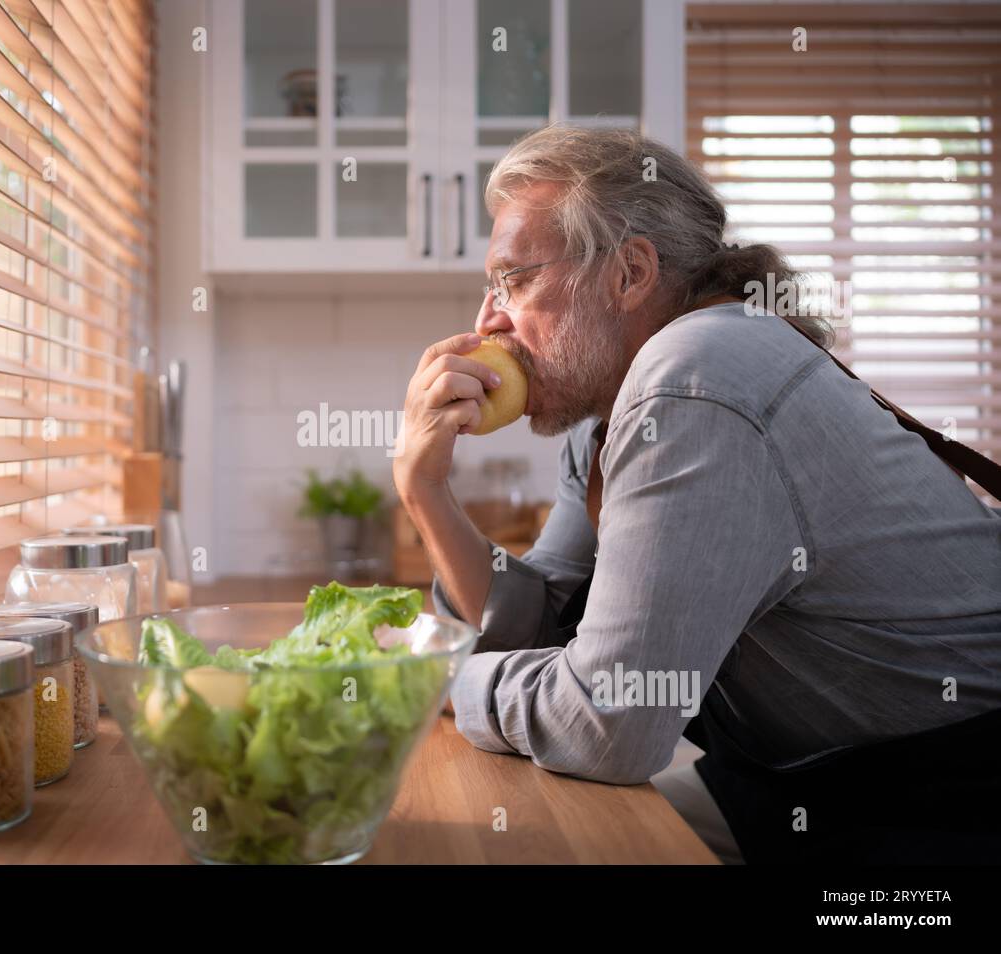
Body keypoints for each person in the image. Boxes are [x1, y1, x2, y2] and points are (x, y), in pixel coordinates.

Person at [393, 125, 1001, 864]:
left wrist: (441, 678)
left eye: (514, 281)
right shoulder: (607, 421)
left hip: (946, 803)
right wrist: (425, 488)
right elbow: (534, 630)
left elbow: (610, 720)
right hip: (807, 787)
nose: (488, 320)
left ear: (630, 274)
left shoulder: (692, 377)